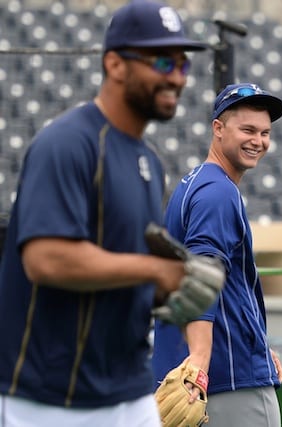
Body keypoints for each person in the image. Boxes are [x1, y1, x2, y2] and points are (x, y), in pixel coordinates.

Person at [0, 1, 208, 426]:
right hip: (53, 397)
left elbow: (123, 272)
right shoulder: (67, 144)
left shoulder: (149, 161)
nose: (176, 77)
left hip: (127, 387)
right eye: (163, 61)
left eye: (183, 66)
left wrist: (170, 290)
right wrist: (153, 271)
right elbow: (46, 259)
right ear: (114, 64)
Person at [152, 83, 282, 426]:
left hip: (212, 372)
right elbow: (202, 275)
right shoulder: (218, 192)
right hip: (229, 379)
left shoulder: (193, 183)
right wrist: (199, 359)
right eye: (247, 130)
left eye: (265, 132)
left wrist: (256, 343)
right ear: (218, 128)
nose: (258, 140)